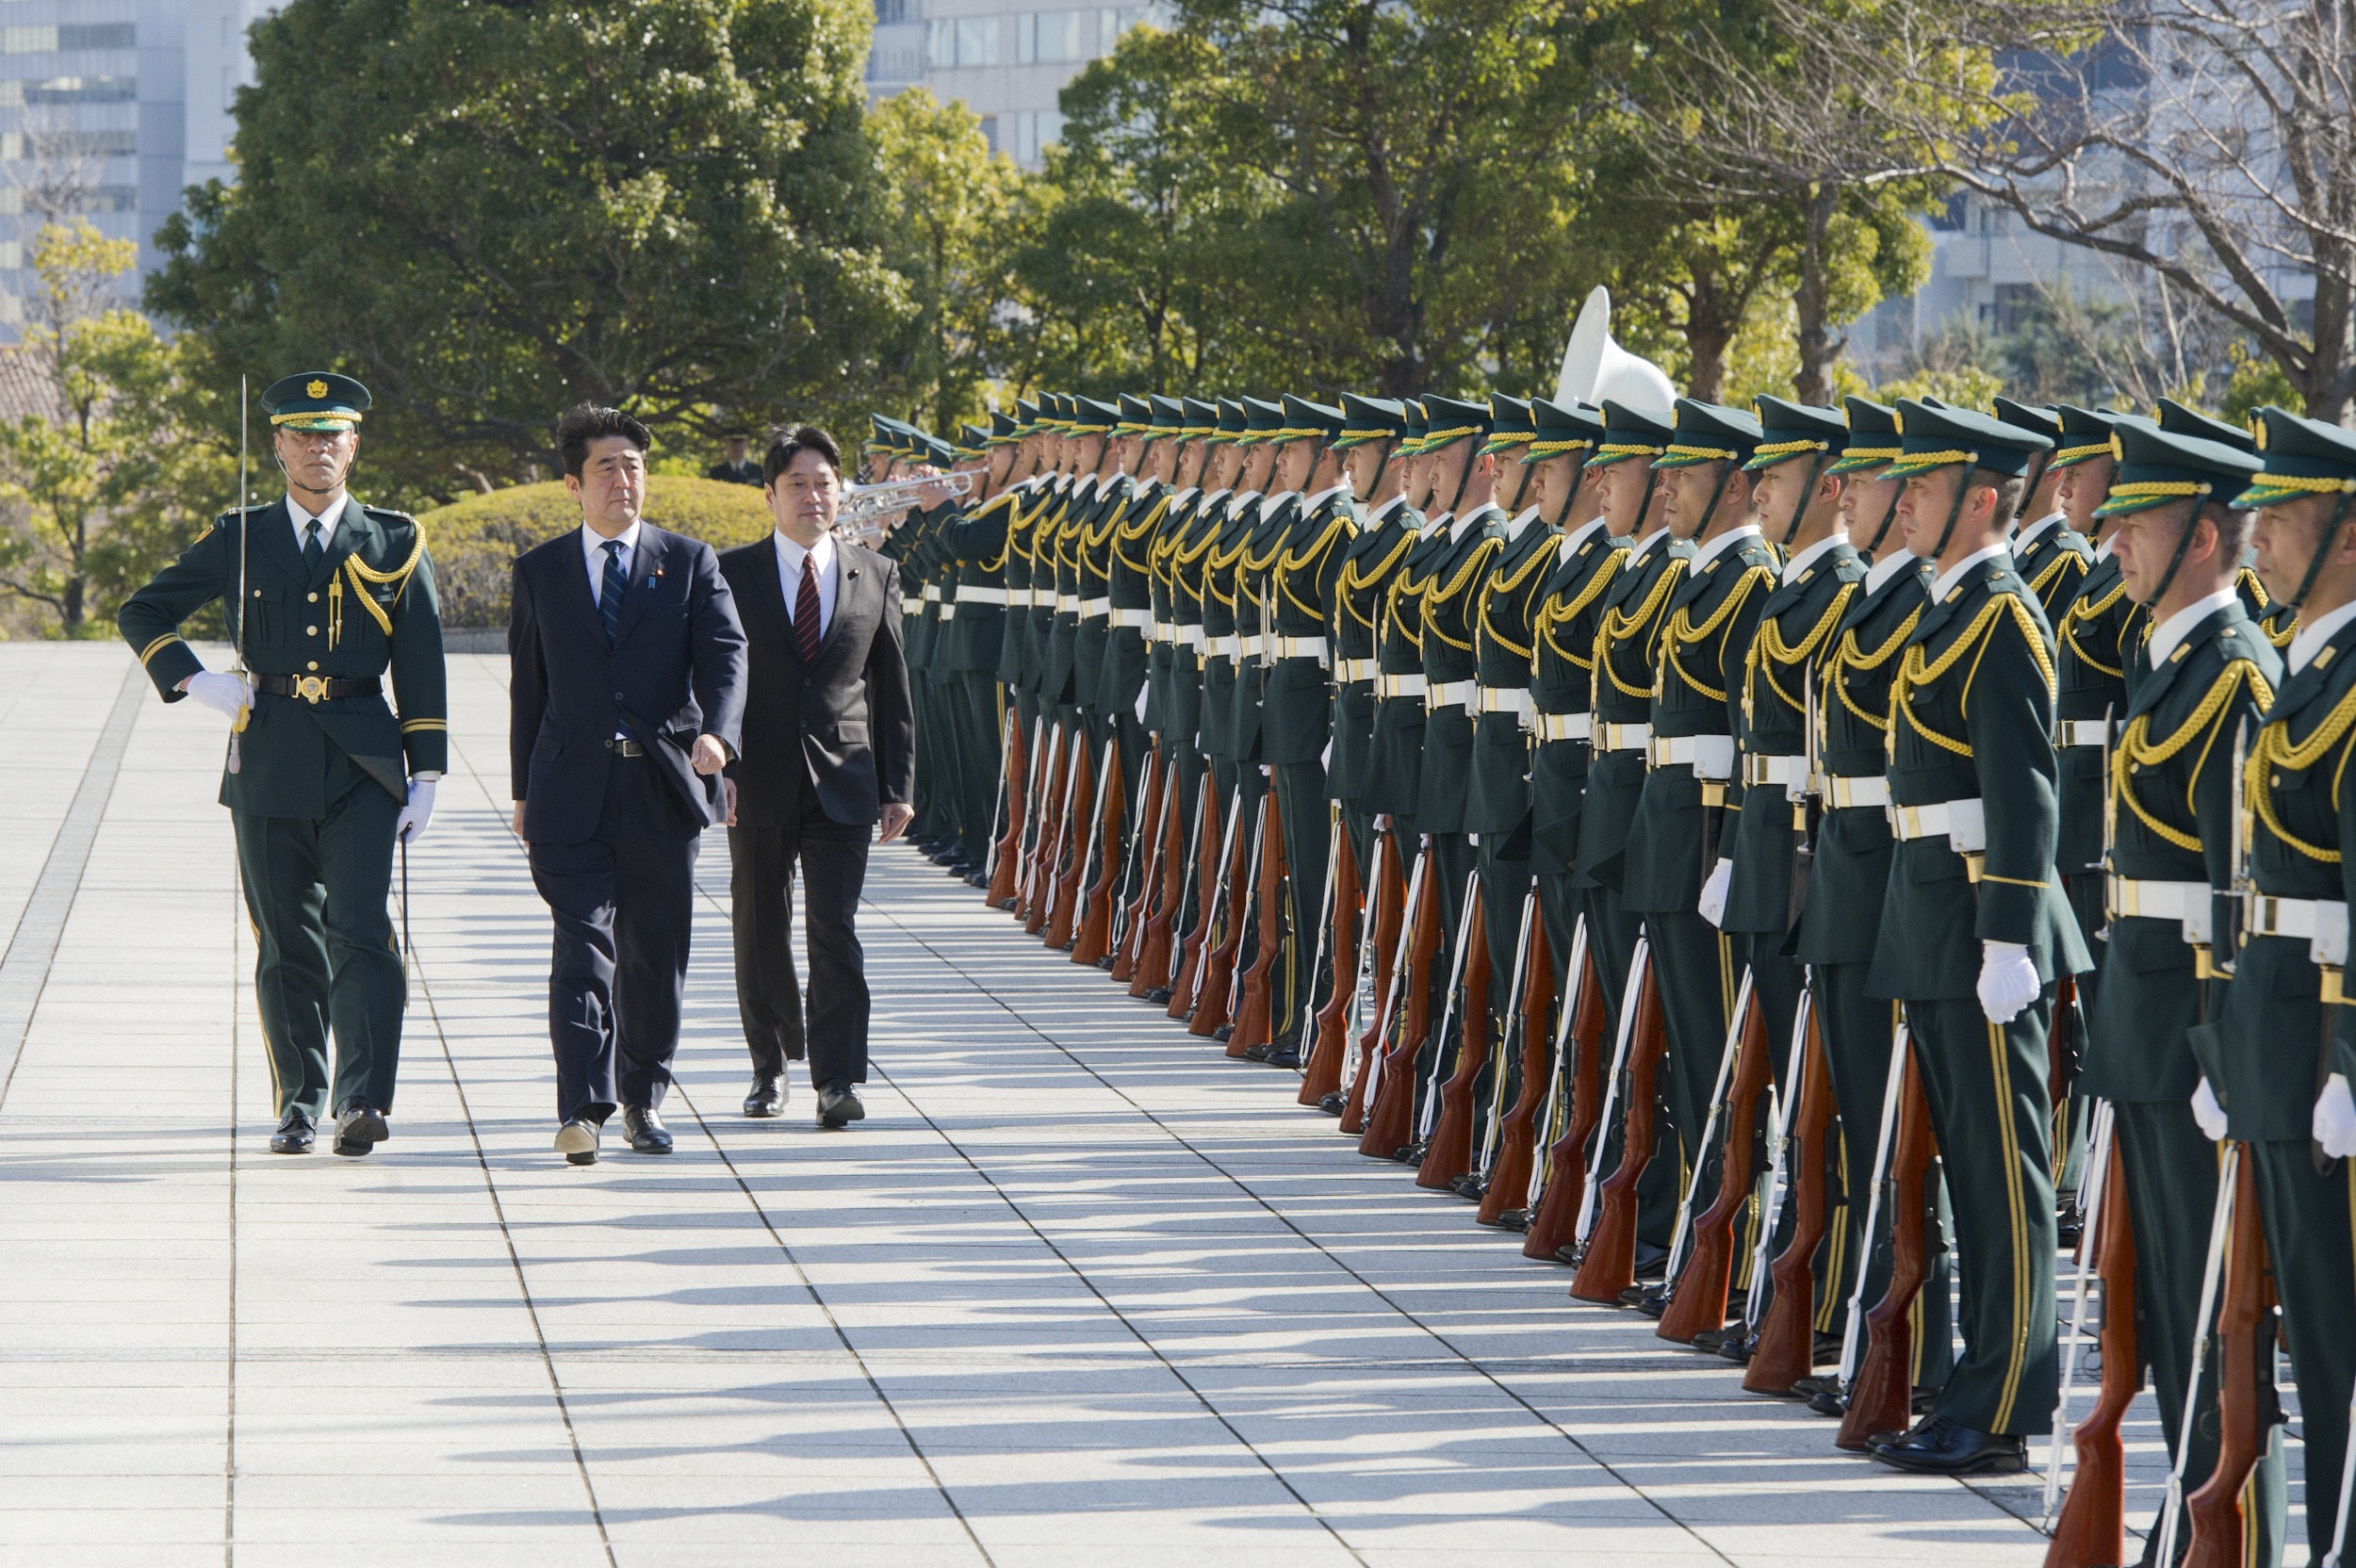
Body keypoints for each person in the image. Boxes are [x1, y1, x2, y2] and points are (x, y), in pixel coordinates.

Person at [119, 371, 446, 1158]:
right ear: (277, 445)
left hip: (365, 760)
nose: (318, 447)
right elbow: (142, 609)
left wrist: (426, 770)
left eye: (331, 434)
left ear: (354, 445)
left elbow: (423, 659)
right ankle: (298, 1101)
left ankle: (361, 1099)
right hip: (266, 758)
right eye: (302, 434)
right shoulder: (241, 536)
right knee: (285, 941)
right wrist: (193, 678)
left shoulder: (395, 540)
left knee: (363, 931)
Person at [2069, 417, 2284, 1556]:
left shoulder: (2235, 678)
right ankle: (2181, 1499)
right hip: (2140, 1020)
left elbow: (2241, 897)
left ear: (2203, 537)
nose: (2112, 547)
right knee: (2156, 1306)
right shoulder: (2164, 669)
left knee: (2217, 1315)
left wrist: (2224, 1055)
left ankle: (2225, 1521)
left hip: (2189, 1038)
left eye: (2134, 527)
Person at [1863, 399, 2087, 1475]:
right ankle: (1971, 1376)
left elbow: (2026, 794)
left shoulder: (2002, 616)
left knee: (2005, 1173)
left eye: (1923, 485)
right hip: (1932, 912)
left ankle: (2001, 1403)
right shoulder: (1944, 607)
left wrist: (2008, 935)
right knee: (1966, 1167)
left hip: (1980, 922)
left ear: (1982, 498)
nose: (1901, 499)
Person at [509, 404, 746, 1166]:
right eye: (607, 467)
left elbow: (725, 656)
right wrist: (522, 791)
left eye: (635, 466)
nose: (624, 480)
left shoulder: (687, 559)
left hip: (662, 788)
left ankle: (644, 1096)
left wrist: (719, 734)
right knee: (581, 949)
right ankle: (583, 1105)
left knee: (653, 952)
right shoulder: (540, 570)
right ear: (573, 485)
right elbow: (529, 690)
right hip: (569, 790)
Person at [717, 424, 915, 1128]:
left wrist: (899, 788)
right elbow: (714, 681)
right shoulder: (729, 574)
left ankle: (837, 1076)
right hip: (757, 779)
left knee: (835, 928)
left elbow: (891, 689)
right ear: (769, 495)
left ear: (841, 492)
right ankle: (769, 1068)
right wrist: (718, 766)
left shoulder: (876, 572)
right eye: (796, 484)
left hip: (845, 778)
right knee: (759, 925)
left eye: (823, 483)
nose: (811, 496)